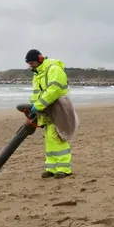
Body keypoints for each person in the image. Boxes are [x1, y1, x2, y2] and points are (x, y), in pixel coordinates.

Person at [25, 49, 72, 178]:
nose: (31, 65)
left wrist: (38, 105)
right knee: (49, 139)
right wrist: (31, 107)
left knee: (58, 137)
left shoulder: (53, 68)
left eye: (32, 62)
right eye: (29, 63)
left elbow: (54, 90)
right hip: (46, 110)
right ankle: (51, 168)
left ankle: (63, 168)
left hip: (58, 108)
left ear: (40, 59)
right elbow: (37, 93)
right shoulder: (37, 73)